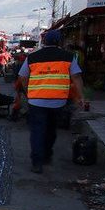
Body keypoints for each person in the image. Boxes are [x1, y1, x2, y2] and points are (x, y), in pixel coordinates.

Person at [18, 30, 84, 174]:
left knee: (37, 131)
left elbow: (22, 77)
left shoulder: (33, 57)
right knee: (51, 130)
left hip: (36, 101)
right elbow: (77, 77)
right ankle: (47, 155)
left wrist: (28, 91)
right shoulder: (68, 57)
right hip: (58, 102)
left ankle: (37, 163)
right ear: (59, 42)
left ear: (45, 42)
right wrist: (81, 97)